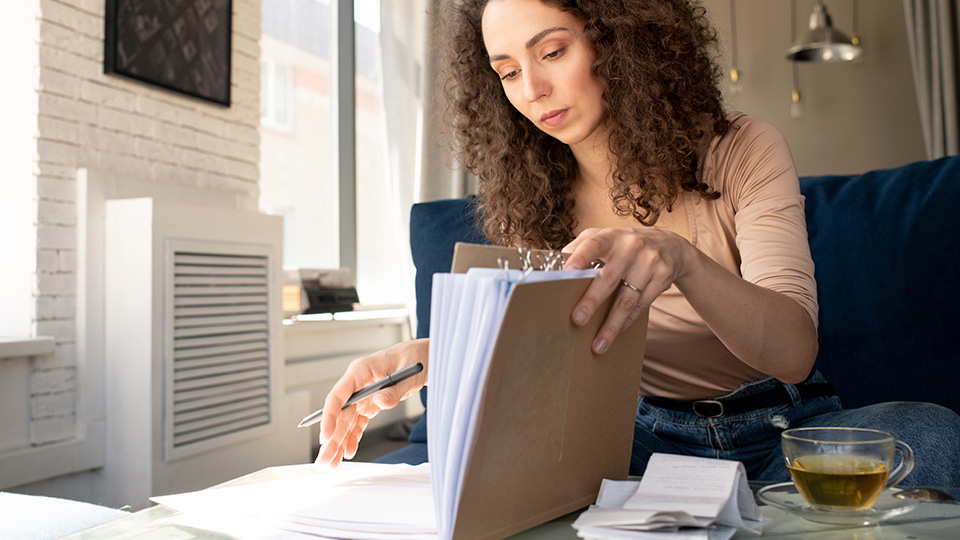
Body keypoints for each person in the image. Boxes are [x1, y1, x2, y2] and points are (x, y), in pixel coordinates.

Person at [315, 0, 960, 486]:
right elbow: (542, 348)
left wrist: (680, 259)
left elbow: (793, 351)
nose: (532, 92)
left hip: (782, 429)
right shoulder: (530, 194)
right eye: (507, 72)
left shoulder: (742, 149)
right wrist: (431, 353)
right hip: (639, 438)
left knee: (934, 437)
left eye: (553, 52)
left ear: (618, 37)